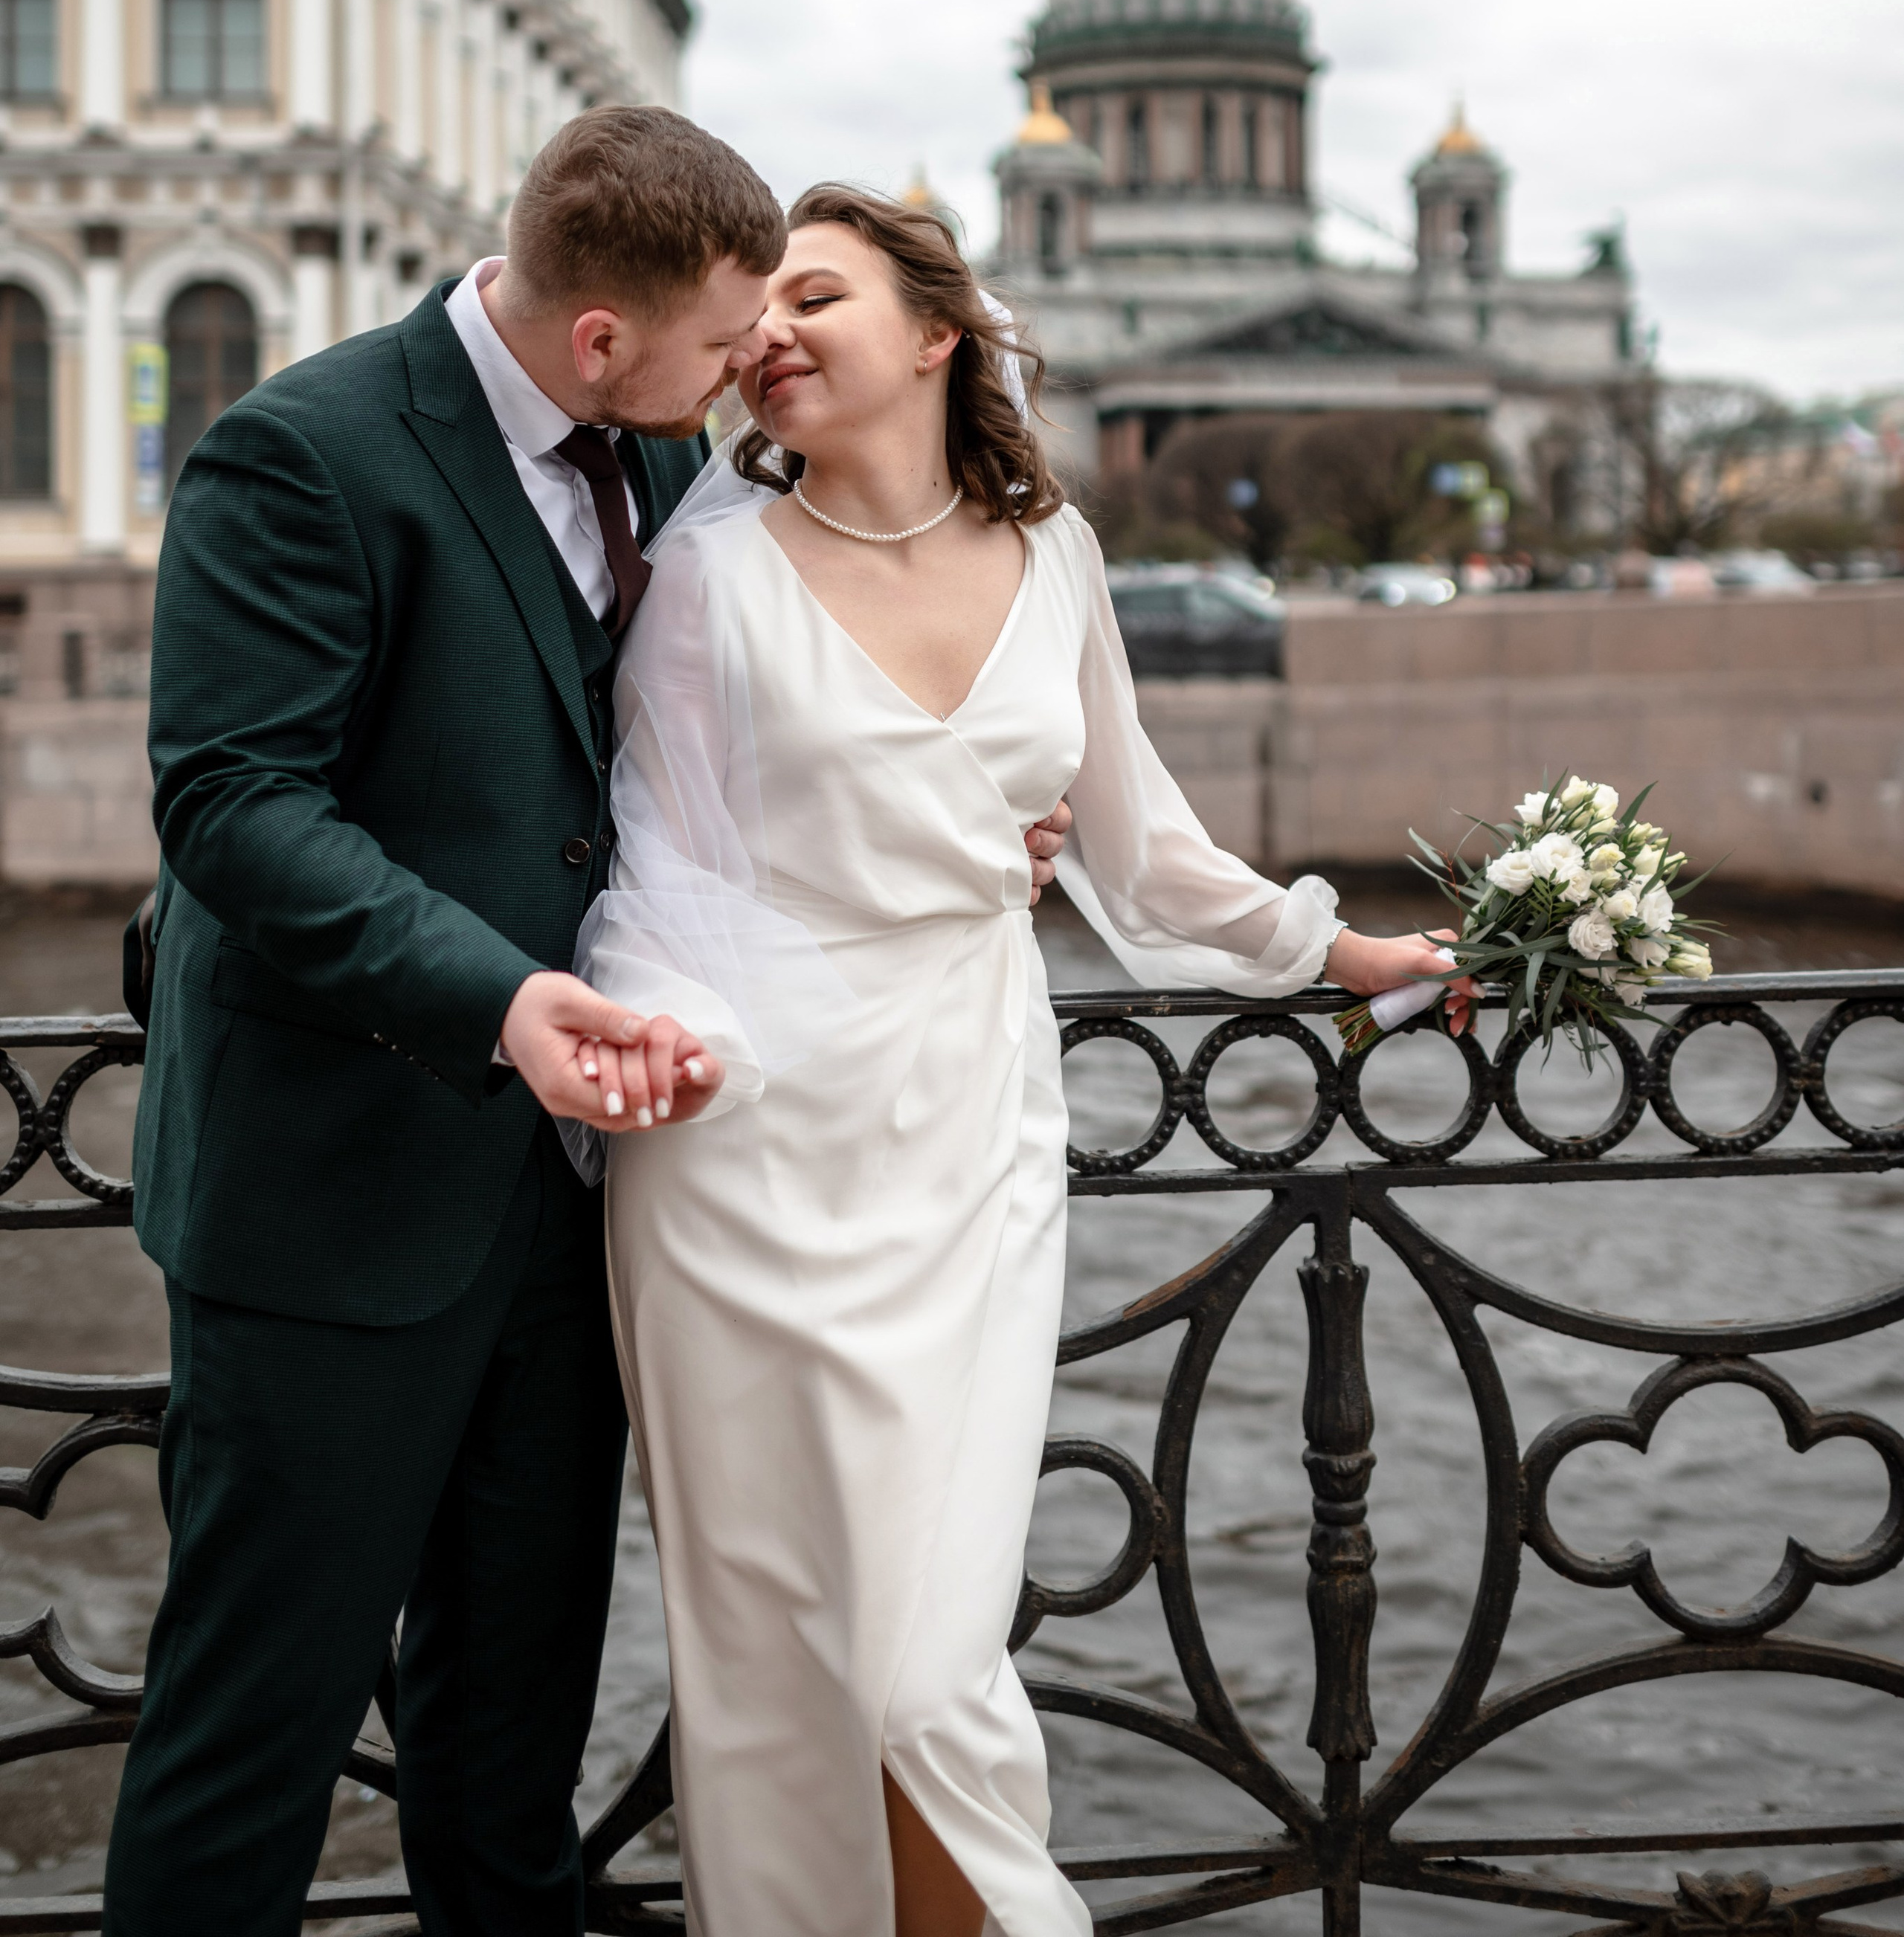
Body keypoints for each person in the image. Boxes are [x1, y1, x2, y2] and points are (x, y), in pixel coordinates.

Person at [104, 106, 1073, 1937]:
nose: (749, 370)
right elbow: (232, 807)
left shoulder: (657, 447)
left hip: (577, 1196)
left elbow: (704, 757)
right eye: (722, 341)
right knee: (252, 1744)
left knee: (509, 1747)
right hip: (336, 1202)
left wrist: (955, 824)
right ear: (603, 334)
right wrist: (500, 997)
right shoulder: (300, 451)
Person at [579, 183, 1461, 1937]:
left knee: (925, 1668)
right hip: (743, 1151)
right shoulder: (705, 570)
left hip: (967, 1127)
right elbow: (655, 861)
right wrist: (661, 1038)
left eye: (814, 295)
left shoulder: (1054, 551)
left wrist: (1343, 951)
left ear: (935, 333)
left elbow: (1145, 851)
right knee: (779, 1664)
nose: (766, 331)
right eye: (757, 310)